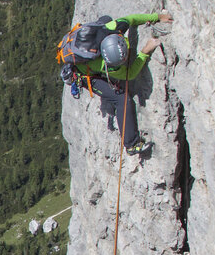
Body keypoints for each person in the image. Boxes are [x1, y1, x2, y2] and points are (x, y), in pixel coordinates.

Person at [67, 11, 172, 155]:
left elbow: (131, 18)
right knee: (122, 99)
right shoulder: (105, 65)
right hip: (83, 74)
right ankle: (131, 144)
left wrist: (157, 17)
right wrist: (145, 51)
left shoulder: (111, 28)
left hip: (84, 52)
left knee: (106, 19)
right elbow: (130, 74)